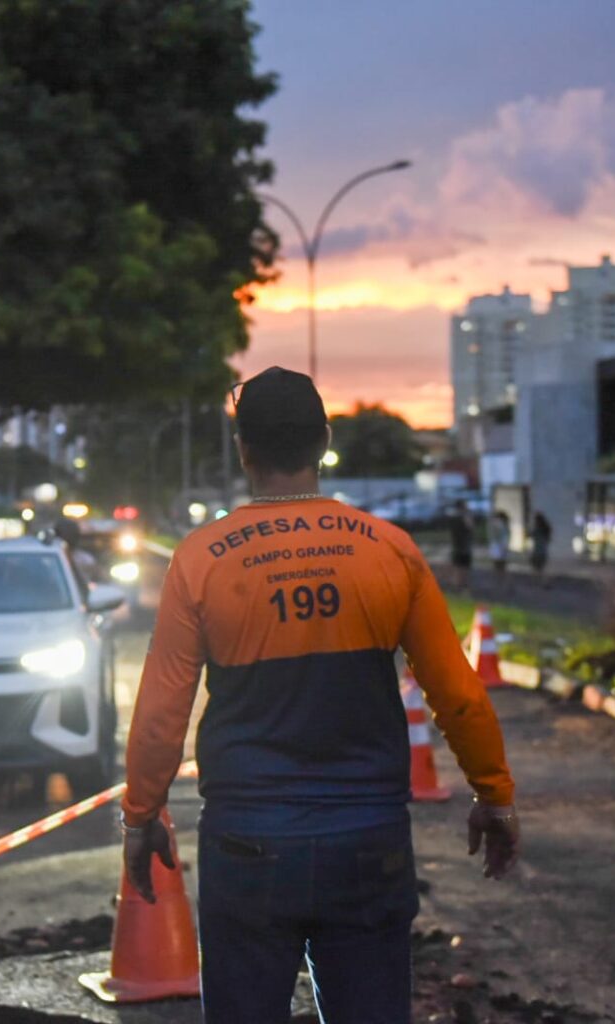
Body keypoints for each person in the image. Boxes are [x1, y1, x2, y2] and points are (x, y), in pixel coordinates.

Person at [119, 367, 520, 1024]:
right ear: (324, 442)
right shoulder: (390, 551)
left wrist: (141, 817)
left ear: (243, 449)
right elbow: (460, 698)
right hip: (368, 845)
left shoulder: (201, 560)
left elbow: (162, 714)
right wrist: (495, 796)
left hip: (247, 848)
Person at [447, 499, 474, 593]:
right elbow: (469, 527)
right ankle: (462, 586)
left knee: (457, 568)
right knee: (464, 568)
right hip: (464, 547)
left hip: (456, 546)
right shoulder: (463, 517)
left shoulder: (453, 517)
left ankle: (456, 586)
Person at [488, 509, 511, 594]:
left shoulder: (500, 525)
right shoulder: (505, 525)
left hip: (498, 548)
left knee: (498, 567)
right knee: (501, 567)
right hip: (501, 548)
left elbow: (496, 536)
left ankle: (501, 584)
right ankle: (503, 584)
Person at [529, 511, 553, 588]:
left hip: (537, 552)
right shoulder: (546, 530)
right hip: (544, 552)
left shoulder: (537, 530)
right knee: (541, 569)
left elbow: (530, 535)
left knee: (535, 569)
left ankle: (538, 583)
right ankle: (543, 582)